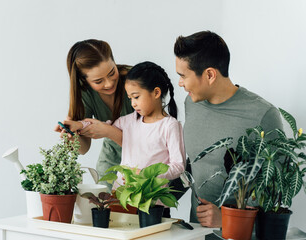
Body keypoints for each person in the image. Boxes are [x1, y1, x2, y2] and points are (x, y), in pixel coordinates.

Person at [173, 31, 282, 231]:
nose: (180, 82)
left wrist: (226, 219)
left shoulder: (263, 114)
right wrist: (154, 196)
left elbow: (277, 192)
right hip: (196, 233)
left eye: (183, 76)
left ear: (210, 75)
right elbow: (196, 163)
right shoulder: (192, 102)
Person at [65, 61, 186, 218]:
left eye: (136, 97)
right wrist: (78, 125)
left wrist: (147, 174)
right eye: (129, 98)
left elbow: (178, 166)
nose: (132, 103)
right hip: (121, 198)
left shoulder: (170, 126)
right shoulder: (128, 121)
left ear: (156, 93)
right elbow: (104, 125)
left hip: (152, 202)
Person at [54, 39, 133, 189]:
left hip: (148, 159)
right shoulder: (85, 95)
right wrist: (73, 137)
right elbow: (83, 149)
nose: (109, 83)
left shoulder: (137, 80)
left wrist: (108, 131)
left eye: (112, 73)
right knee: (106, 206)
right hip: (112, 160)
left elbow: (152, 141)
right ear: (83, 81)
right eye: (98, 81)